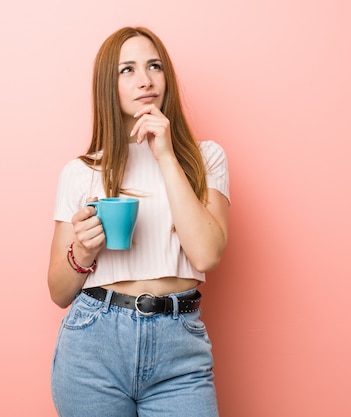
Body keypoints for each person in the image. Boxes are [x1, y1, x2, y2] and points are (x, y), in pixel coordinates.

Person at [47, 26, 230, 417]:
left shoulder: (206, 157)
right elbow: (59, 291)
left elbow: (206, 254)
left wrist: (166, 155)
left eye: (154, 66)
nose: (145, 80)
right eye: (126, 70)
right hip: (93, 348)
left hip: (178, 351)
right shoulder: (81, 172)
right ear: (106, 86)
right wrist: (81, 251)